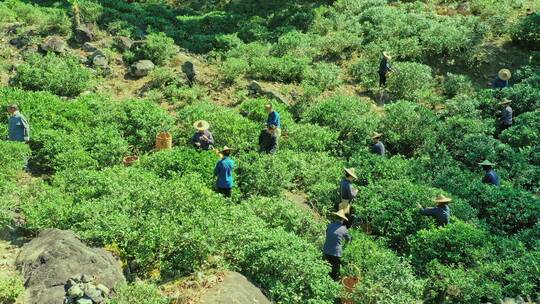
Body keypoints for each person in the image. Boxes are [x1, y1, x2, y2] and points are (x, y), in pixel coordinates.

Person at [322, 208, 352, 281]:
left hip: (326, 250)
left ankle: (324, 279)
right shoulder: (344, 229)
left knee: (325, 267)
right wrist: (345, 245)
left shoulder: (329, 225)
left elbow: (327, 233)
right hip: (336, 253)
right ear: (342, 220)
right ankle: (333, 280)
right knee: (335, 270)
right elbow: (348, 239)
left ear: (335, 218)